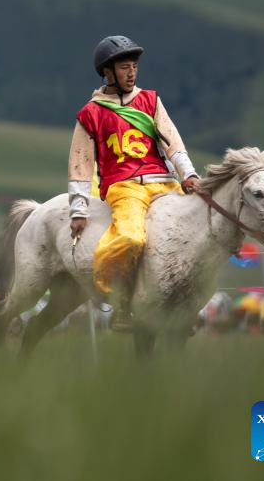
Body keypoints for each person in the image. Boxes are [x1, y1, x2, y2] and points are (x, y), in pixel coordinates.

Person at [68, 35, 200, 332]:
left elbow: (172, 141)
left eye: (134, 67)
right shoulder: (90, 114)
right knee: (130, 239)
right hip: (124, 187)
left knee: (197, 232)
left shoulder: (151, 100)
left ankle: (187, 307)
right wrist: (78, 210)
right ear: (107, 72)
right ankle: (122, 305)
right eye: (125, 67)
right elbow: (80, 164)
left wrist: (188, 174)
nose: (132, 73)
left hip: (164, 183)